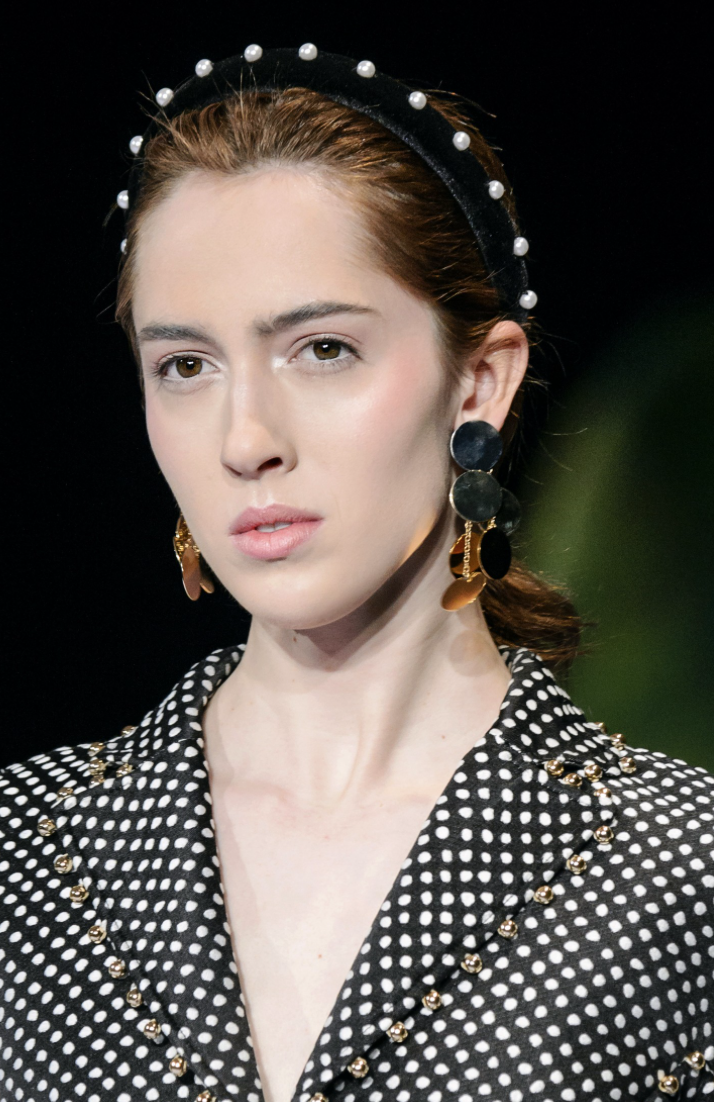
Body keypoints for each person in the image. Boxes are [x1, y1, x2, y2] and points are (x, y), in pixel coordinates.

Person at [0, 45, 711, 1102]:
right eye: (185, 366)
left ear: (480, 381)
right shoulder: (27, 852)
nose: (245, 438)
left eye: (322, 349)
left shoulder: (677, 869)